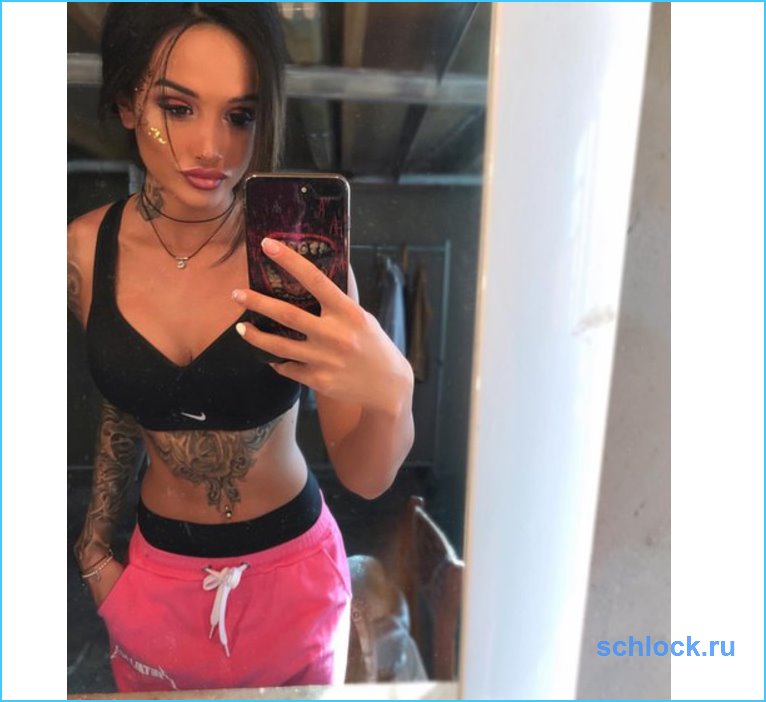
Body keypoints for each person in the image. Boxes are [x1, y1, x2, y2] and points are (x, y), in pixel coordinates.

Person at [66, 3, 414, 692]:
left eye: (240, 115)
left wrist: (392, 391)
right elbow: (121, 403)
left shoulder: (299, 259)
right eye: (178, 108)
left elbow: (366, 477)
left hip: (293, 576)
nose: (212, 147)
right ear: (129, 102)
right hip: (156, 579)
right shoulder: (80, 253)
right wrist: (94, 551)